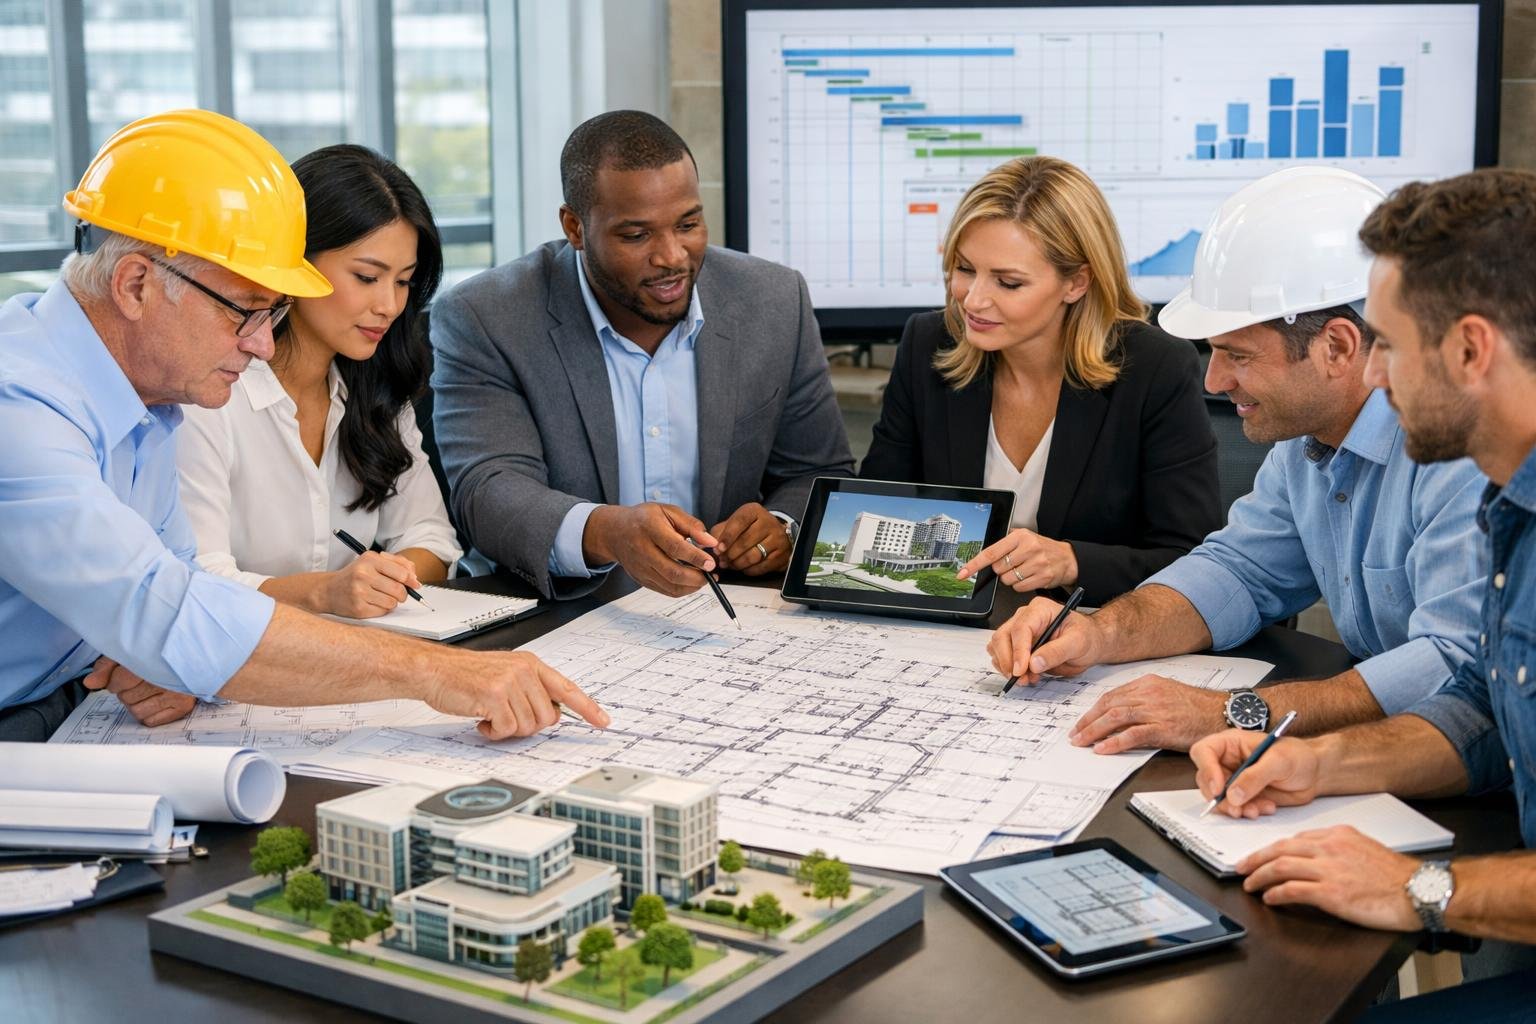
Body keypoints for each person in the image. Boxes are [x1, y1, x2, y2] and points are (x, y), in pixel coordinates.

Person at [0, 109, 606, 742]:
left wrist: (167, 660)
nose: (263, 345)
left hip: (75, 696)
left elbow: (178, 590)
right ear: (135, 285)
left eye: (274, 312)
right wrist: (435, 672)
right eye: (245, 312)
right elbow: (169, 608)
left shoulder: (155, 399)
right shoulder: (18, 403)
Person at [1187, 168, 1536, 1022]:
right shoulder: (1511, 508)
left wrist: (1418, 888)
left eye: (1386, 343)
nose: (1372, 374)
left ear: (1470, 351)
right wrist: (1314, 760)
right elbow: (1485, 711)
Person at [988, 167, 1485, 753]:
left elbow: (1455, 666)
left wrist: (1235, 712)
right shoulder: (1303, 446)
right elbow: (1236, 573)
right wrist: (1098, 634)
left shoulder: (1462, 452)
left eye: (1237, 355)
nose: (1215, 379)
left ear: (1337, 348)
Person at [430, 110, 854, 600]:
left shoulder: (773, 300)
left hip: (728, 613)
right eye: (637, 235)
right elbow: (488, 491)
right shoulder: (487, 316)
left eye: (688, 223)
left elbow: (818, 472)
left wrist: (783, 527)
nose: (672, 256)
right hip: (559, 611)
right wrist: (606, 532)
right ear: (575, 227)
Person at [859, 156, 1220, 605]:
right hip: (950, 626)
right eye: (965, 268)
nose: (973, 300)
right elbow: (872, 507)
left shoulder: (1156, 368)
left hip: (1091, 633)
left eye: (1008, 282)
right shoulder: (926, 344)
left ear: (1076, 283)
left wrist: (1073, 562)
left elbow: (1195, 561)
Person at [176, 144, 462, 619]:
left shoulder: (378, 388)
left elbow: (432, 539)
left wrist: (386, 579)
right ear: (296, 262)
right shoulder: (209, 394)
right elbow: (195, 581)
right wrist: (325, 593)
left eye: (404, 281)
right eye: (368, 277)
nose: (389, 306)